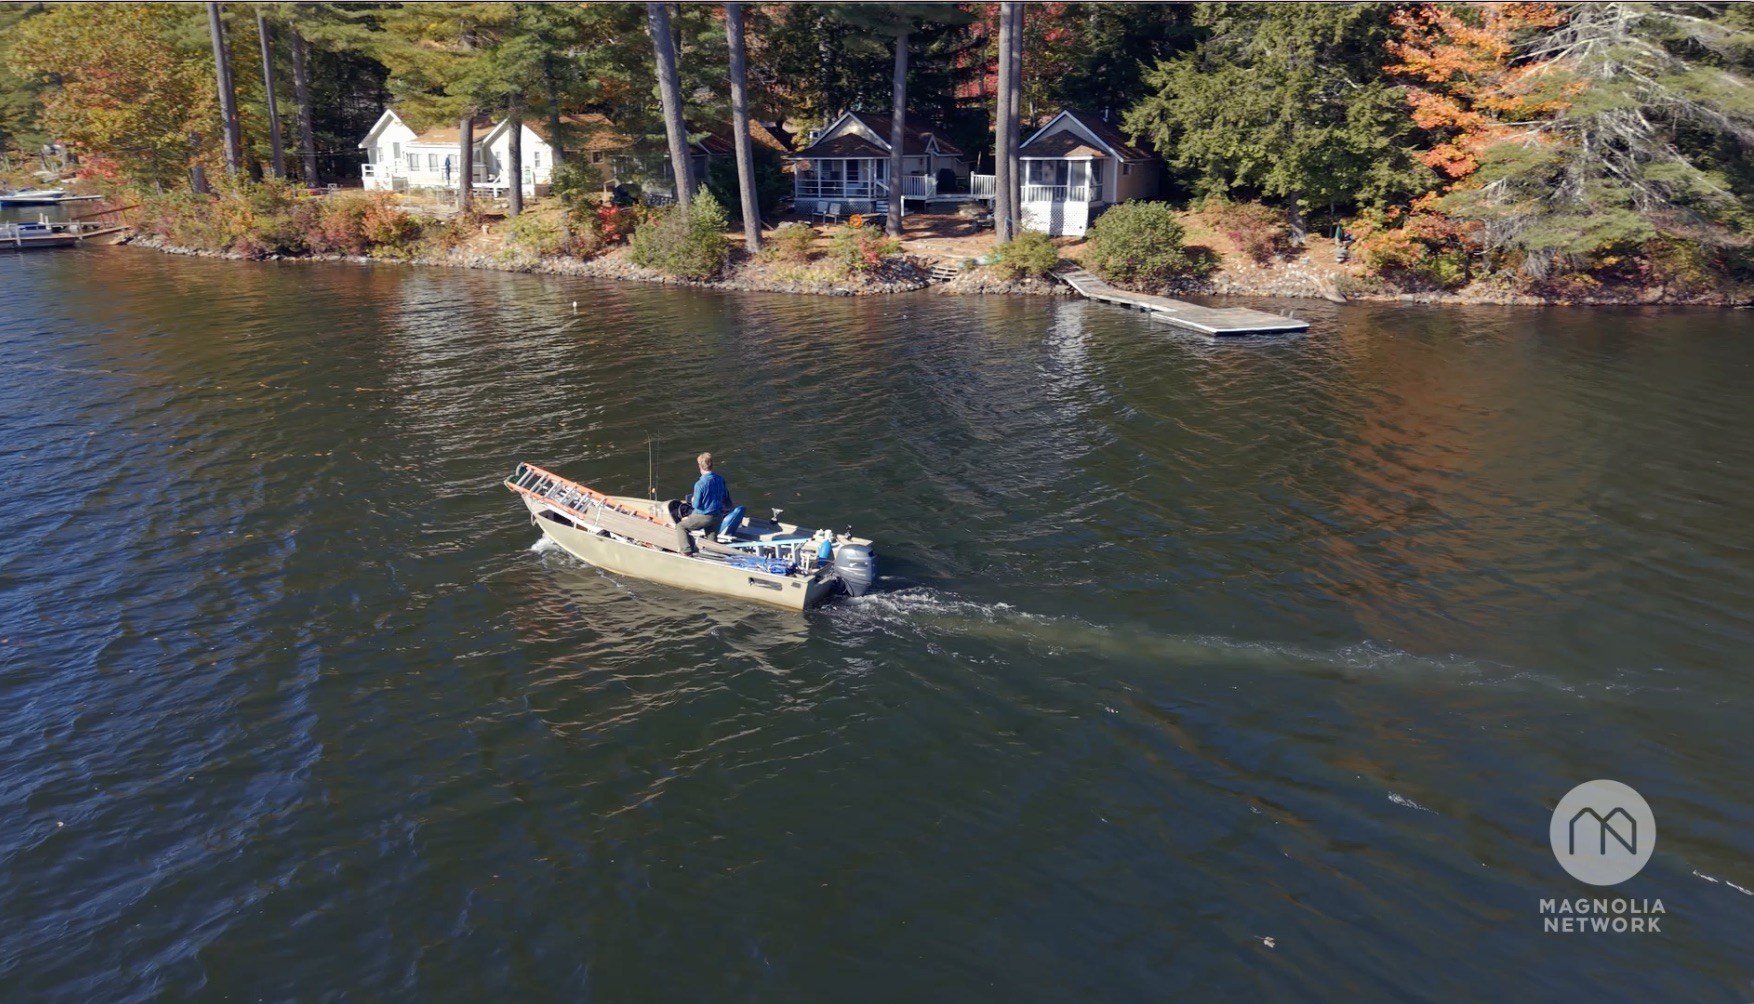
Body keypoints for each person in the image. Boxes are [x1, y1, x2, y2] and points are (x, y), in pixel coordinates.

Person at [675, 452, 732, 554]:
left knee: (681, 527)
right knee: (712, 543)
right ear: (711, 465)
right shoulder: (720, 479)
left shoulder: (700, 484)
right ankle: (713, 556)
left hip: (705, 516)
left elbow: (697, 505)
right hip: (718, 515)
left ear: (699, 466)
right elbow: (724, 497)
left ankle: (686, 551)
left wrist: (692, 500)